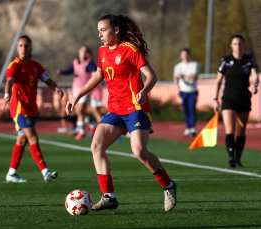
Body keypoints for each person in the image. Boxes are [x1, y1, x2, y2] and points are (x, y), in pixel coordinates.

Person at [66, 14, 177, 212]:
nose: (99, 34)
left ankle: (168, 185)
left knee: (139, 151)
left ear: (116, 30)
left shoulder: (130, 50)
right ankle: (109, 196)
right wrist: (77, 96)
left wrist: (143, 92)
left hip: (136, 108)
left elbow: (152, 75)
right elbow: (99, 76)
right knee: (96, 146)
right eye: (98, 30)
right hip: (115, 109)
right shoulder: (101, 52)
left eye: (103, 30)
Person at [3, 35, 64, 182]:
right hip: (19, 109)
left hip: (31, 109)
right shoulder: (14, 65)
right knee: (33, 138)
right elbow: (10, 80)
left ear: (31, 48)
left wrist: (56, 88)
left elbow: (47, 79)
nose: (23, 48)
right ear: (17, 48)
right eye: (21, 46)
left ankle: (11, 174)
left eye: (26, 46)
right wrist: (7, 95)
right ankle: (46, 172)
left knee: (22, 140)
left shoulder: (36, 66)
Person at [213, 34, 259, 168]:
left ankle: (238, 158)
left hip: (244, 98)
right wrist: (215, 99)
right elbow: (218, 81)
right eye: (235, 44)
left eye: (240, 44)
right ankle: (231, 157)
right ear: (231, 46)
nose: (238, 46)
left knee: (241, 129)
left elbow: (255, 75)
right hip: (228, 98)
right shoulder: (226, 60)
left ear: (244, 45)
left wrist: (254, 85)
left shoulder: (249, 59)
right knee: (230, 128)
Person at [57, 46, 103, 140]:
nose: (84, 53)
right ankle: (92, 125)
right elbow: (70, 70)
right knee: (78, 111)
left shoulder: (89, 62)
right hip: (75, 89)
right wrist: (62, 72)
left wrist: (96, 74)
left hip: (85, 90)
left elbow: (96, 71)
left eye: (86, 51)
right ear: (79, 51)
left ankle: (81, 131)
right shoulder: (75, 62)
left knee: (81, 111)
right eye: (82, 51)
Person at [173, 48, 200, 137]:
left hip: (192, 91)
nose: (185, 56)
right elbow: (175, 80)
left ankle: (192, 127)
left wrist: (182, 76)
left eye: (186, 54)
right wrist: (176, 78)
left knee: (191, 108)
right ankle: (188, 128)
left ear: (189, 55)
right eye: (183, 55)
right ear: (181, 56)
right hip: (182, 91)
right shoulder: (177, 66)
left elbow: (193, 76)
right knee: (185, 110)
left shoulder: (194, 64)